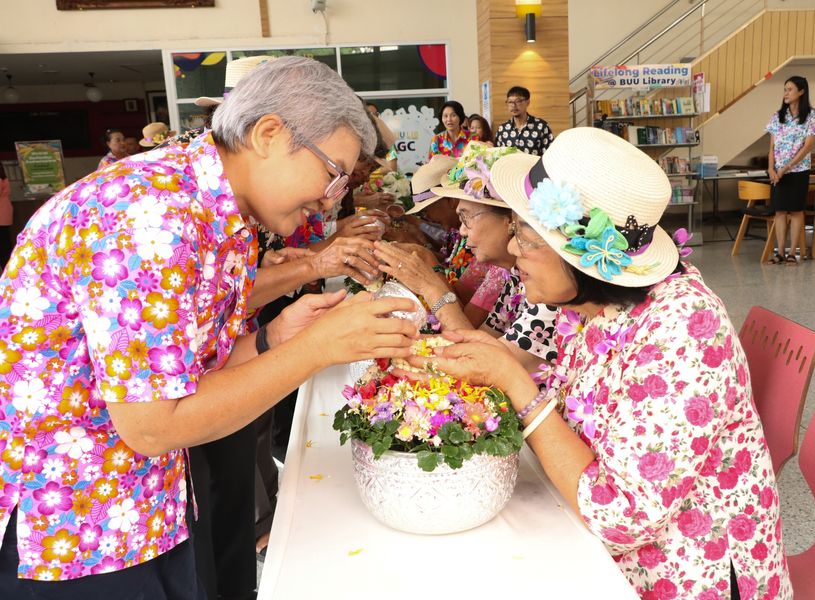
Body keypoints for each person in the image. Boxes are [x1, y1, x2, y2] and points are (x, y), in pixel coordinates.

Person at [0, 56, 416, 598]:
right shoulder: (149, 212)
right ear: (269, 134)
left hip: (150, 504)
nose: (331, 197)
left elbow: (187, 368)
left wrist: (273, 338)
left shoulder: (217, 209)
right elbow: (152, 426)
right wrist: (316, 348)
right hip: (77, 529)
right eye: (333, 173)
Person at [405, 128, 791, 600]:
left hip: (684, 575)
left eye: (526, 236)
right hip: (597, 550)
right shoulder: (592, 308)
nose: (513, 250)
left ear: (581, 256)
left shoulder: (684, 325)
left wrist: (512, 380)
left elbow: (623, 518)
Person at [377, 143, 559, 372]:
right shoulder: (515, 277)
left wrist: (430, 285)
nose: (461, 231)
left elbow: (486, 367)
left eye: (466, 218)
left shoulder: (549, 290)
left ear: (510, 220)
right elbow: (480, 340)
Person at [766, 76, 815, 265]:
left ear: (801, 92)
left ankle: (792, 253)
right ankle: (780, 252)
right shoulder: (777, 116)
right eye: (785, 89)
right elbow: (772, 146)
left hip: (798, 170)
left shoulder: (811, 116)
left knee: (796, 211)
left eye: (790, 89)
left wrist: (787, 167)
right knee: (780, 211)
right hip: (778, 171)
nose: (786, 93)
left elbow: (808, 146)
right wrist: (771, 168)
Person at [494, 86, 553, 156]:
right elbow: (497, 155)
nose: (513, 105)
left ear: (527, 102)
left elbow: (549, 155)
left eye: (518, 101)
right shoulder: (502, 129)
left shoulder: (541, 126)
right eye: (510, 102)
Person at [0, 163, 11, 269]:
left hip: (1, 216)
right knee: (5, 243)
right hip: (4, 215)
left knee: (3, 246)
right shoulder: (4, 179)